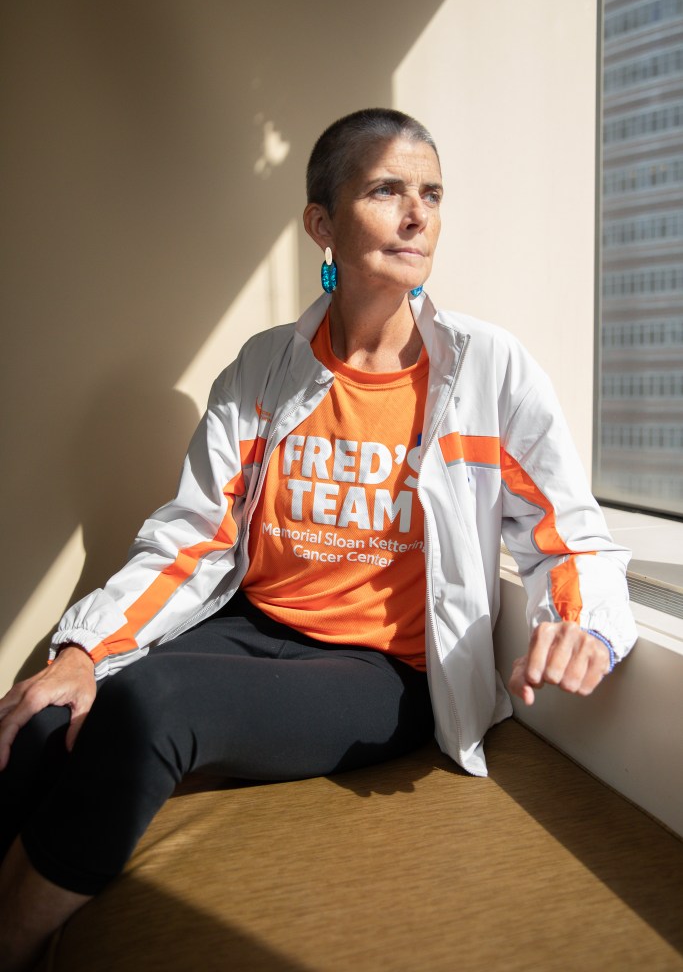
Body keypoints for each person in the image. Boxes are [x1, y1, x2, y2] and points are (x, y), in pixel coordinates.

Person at [0, 108, 637, 970]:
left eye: (431, 194)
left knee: (151, 707)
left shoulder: (488, 371)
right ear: (322, 225)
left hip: (384, 670)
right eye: (386, 190)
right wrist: (82, 649)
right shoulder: (263, 368)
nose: (418, 215)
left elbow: (571, 538)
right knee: (44, 711)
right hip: (252, 627)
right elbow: (194, 537)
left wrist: (582, 624)